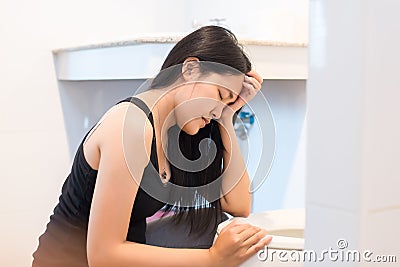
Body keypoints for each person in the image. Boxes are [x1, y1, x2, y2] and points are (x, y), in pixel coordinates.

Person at [32, 25, 272, 267]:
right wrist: (212, 259)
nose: (216, 110)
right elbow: (102, 256)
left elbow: (239, 206)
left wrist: (227, 116)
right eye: (220, 95)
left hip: (122, 252)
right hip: (68, 261)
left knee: (221, 226)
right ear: (190, 69)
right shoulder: (130, 126)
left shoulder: (176, 131)